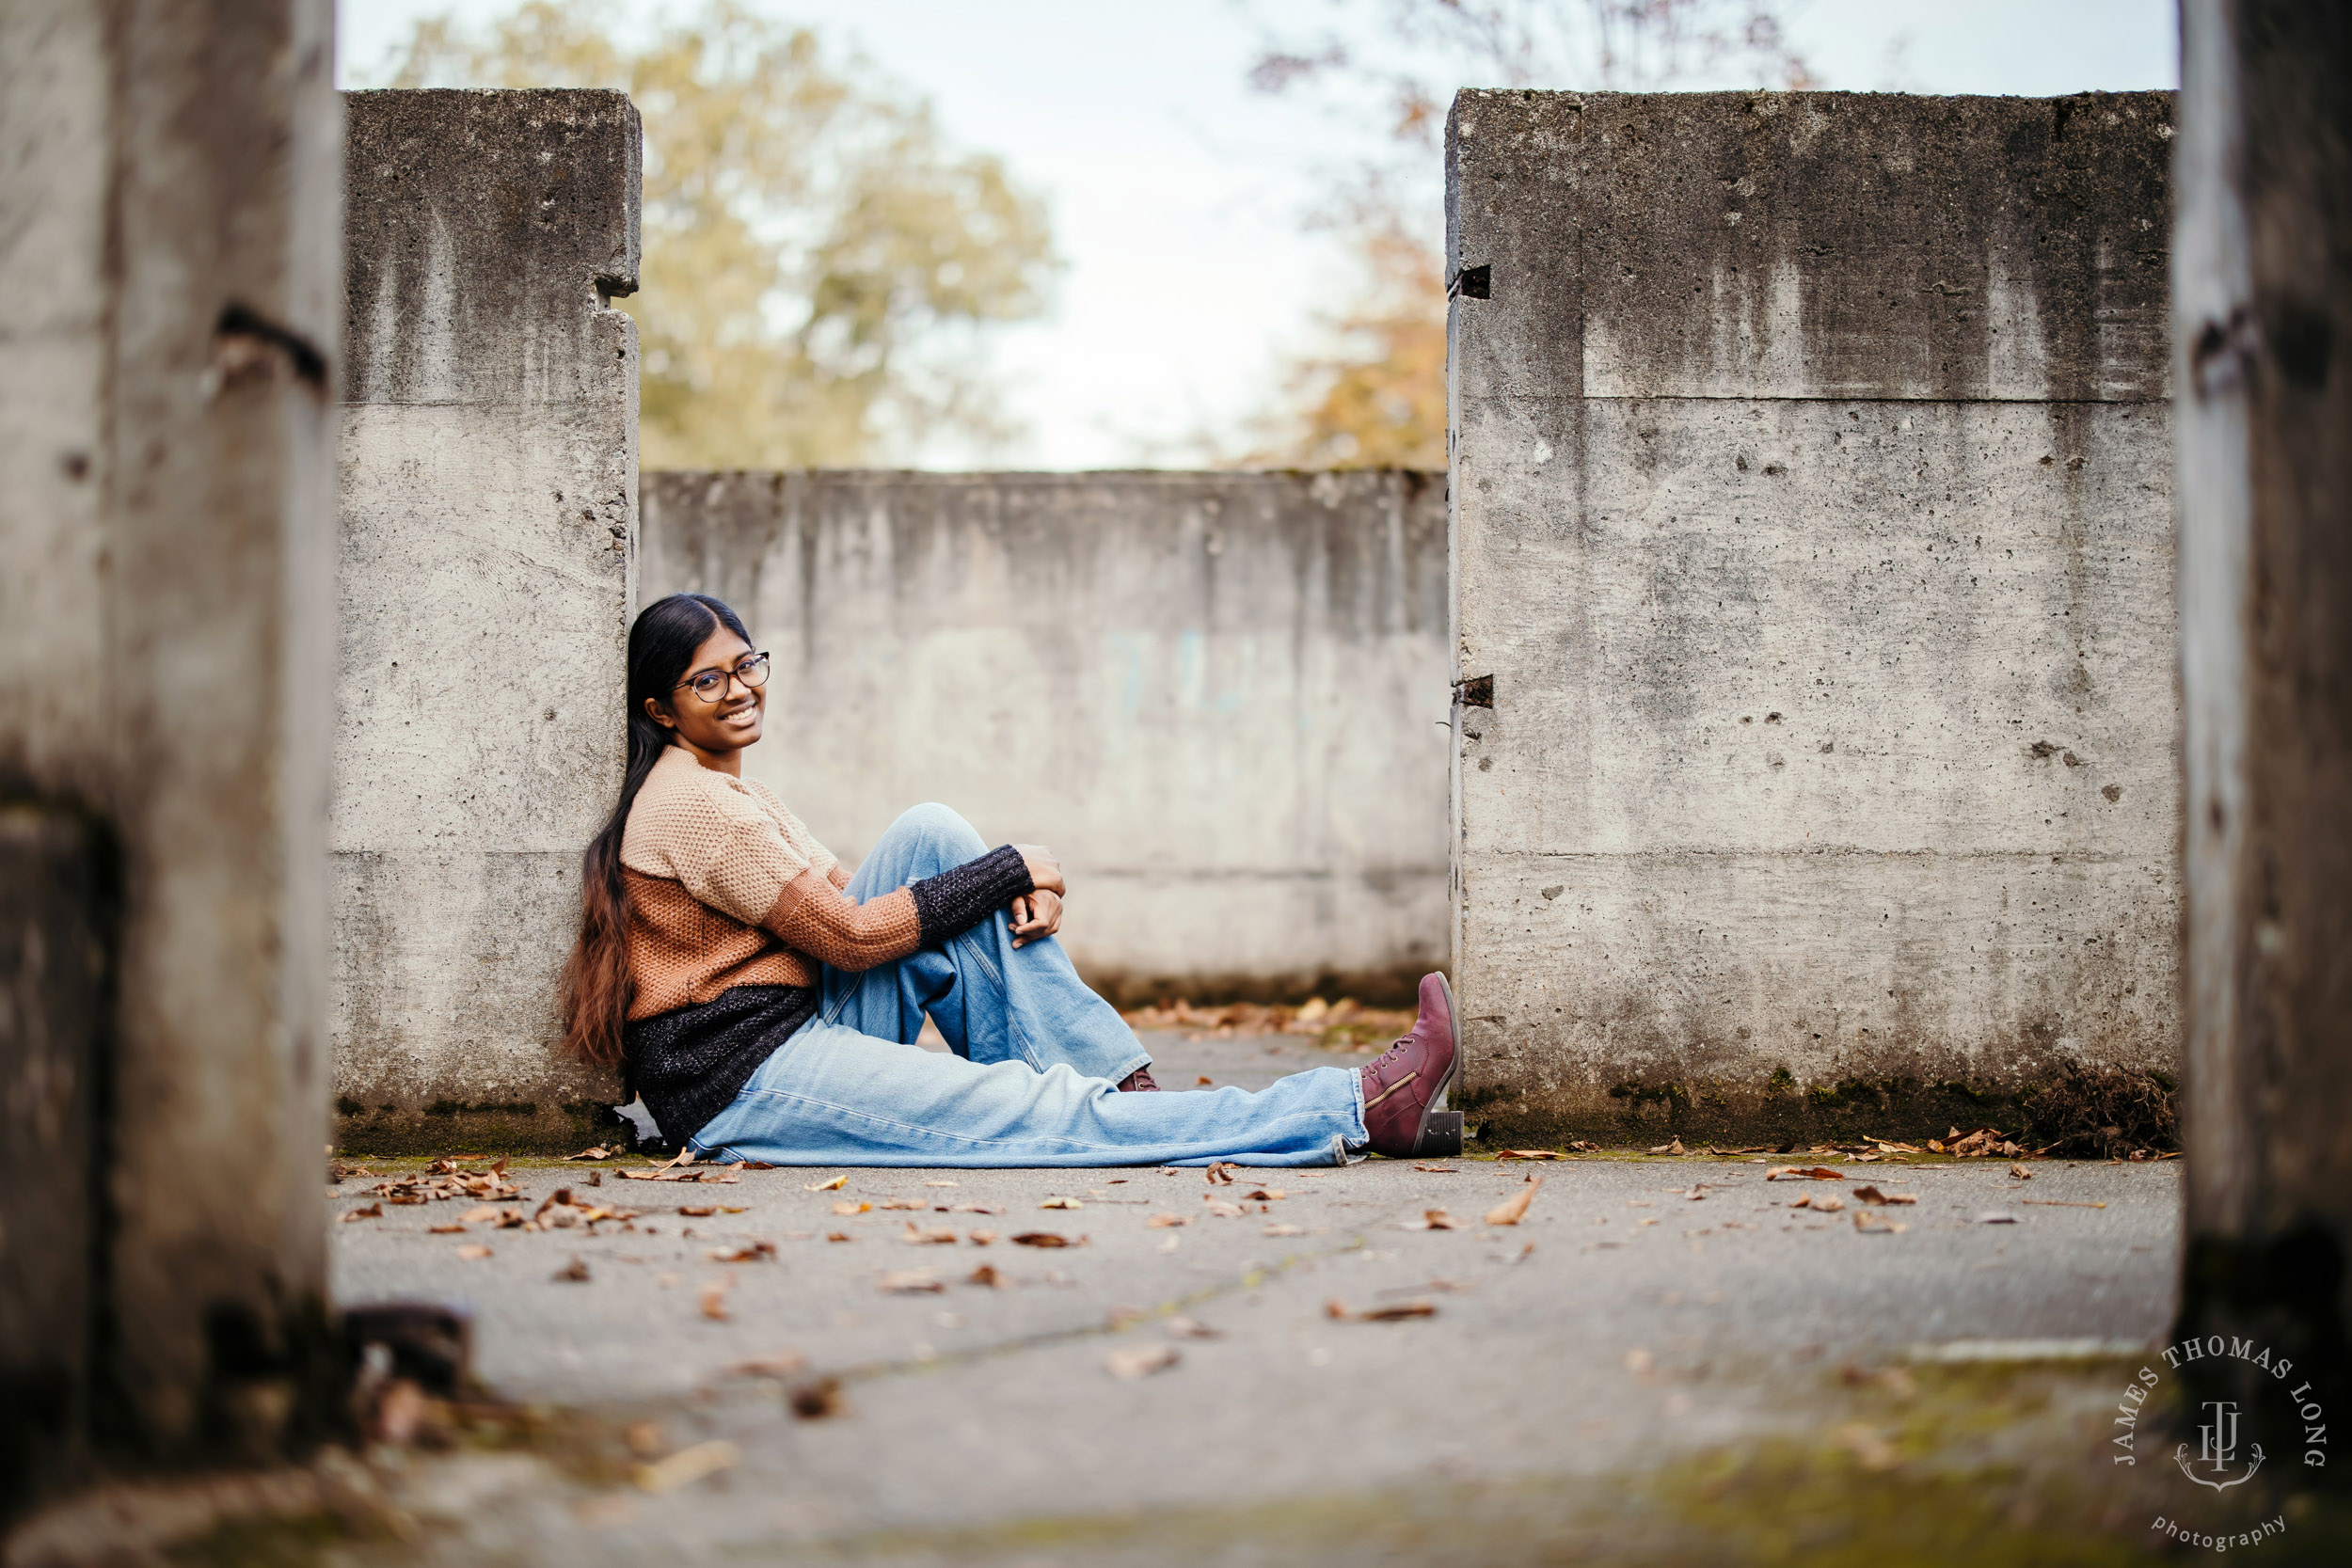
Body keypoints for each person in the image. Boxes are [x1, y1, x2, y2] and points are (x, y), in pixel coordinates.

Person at [559, 592, 1460, 1167]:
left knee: (932, 832)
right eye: (705, 679)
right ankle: (1353, 1106)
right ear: (660, 707)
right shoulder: (696, 806)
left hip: (794, 1027)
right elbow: (851, 937)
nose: (738, 688)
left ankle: (1121, 1097)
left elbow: (867, 896)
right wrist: (1014, 869)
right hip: (746, 1083)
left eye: (746, 663)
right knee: (1034, 1112)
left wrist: (995, 883)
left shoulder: (727, 787)